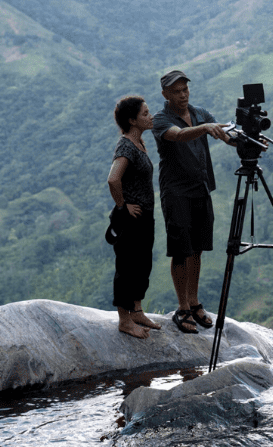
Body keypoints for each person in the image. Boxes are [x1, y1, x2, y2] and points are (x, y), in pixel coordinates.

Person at [152, 70, 233, 334]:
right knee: (180, 249)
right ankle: (182, 307)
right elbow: (177, 135)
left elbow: (223, 134)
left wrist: (246, 139)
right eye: (177, 91)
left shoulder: (199, 113)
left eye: (185, 89)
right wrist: (205, 128)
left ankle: (195, 302)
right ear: (165, 94)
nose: (183, 95)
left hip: (200, 187)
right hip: (176, 192)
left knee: (197, 248)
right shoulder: (161, 120)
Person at [107, 96, 162, 339]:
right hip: (131, 219)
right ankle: (124, 320)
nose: (150, 117)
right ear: (132, 120)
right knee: (127, 267)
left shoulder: (138, 142)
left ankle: (137, 310)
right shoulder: (127, 146)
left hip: (144, 216)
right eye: (145, 114)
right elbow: (113, 178)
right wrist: (123, 206)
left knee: (142, 264)